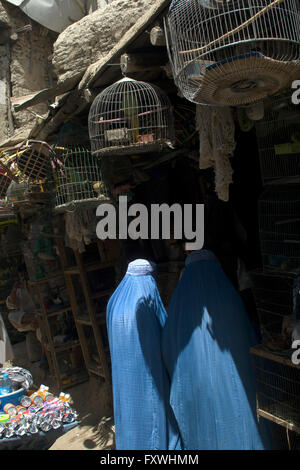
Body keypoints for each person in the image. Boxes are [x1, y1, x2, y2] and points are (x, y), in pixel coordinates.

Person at [162, 249, 272, 450]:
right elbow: (251, 341)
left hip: (197, 398)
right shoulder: (229, 298)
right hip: (237, 395)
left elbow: (168, 349)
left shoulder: (180, 303)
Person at [106, 259, 182, 450]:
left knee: (131, 418)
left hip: (124, 382)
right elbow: (166, 337)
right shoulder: (146, 303)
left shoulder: (114, 303)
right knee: (154, 419)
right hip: (149, 378)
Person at [6, 264, 47, 369]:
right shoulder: (19, 290)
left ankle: (44, 356)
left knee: (39, 328)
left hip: (41, 317)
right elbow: (11, 305)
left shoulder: (37, 285)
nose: (24, 279)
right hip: (29, 320)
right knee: (12, 316)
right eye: (21, 277)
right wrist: (14, 290)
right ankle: (35, 319)